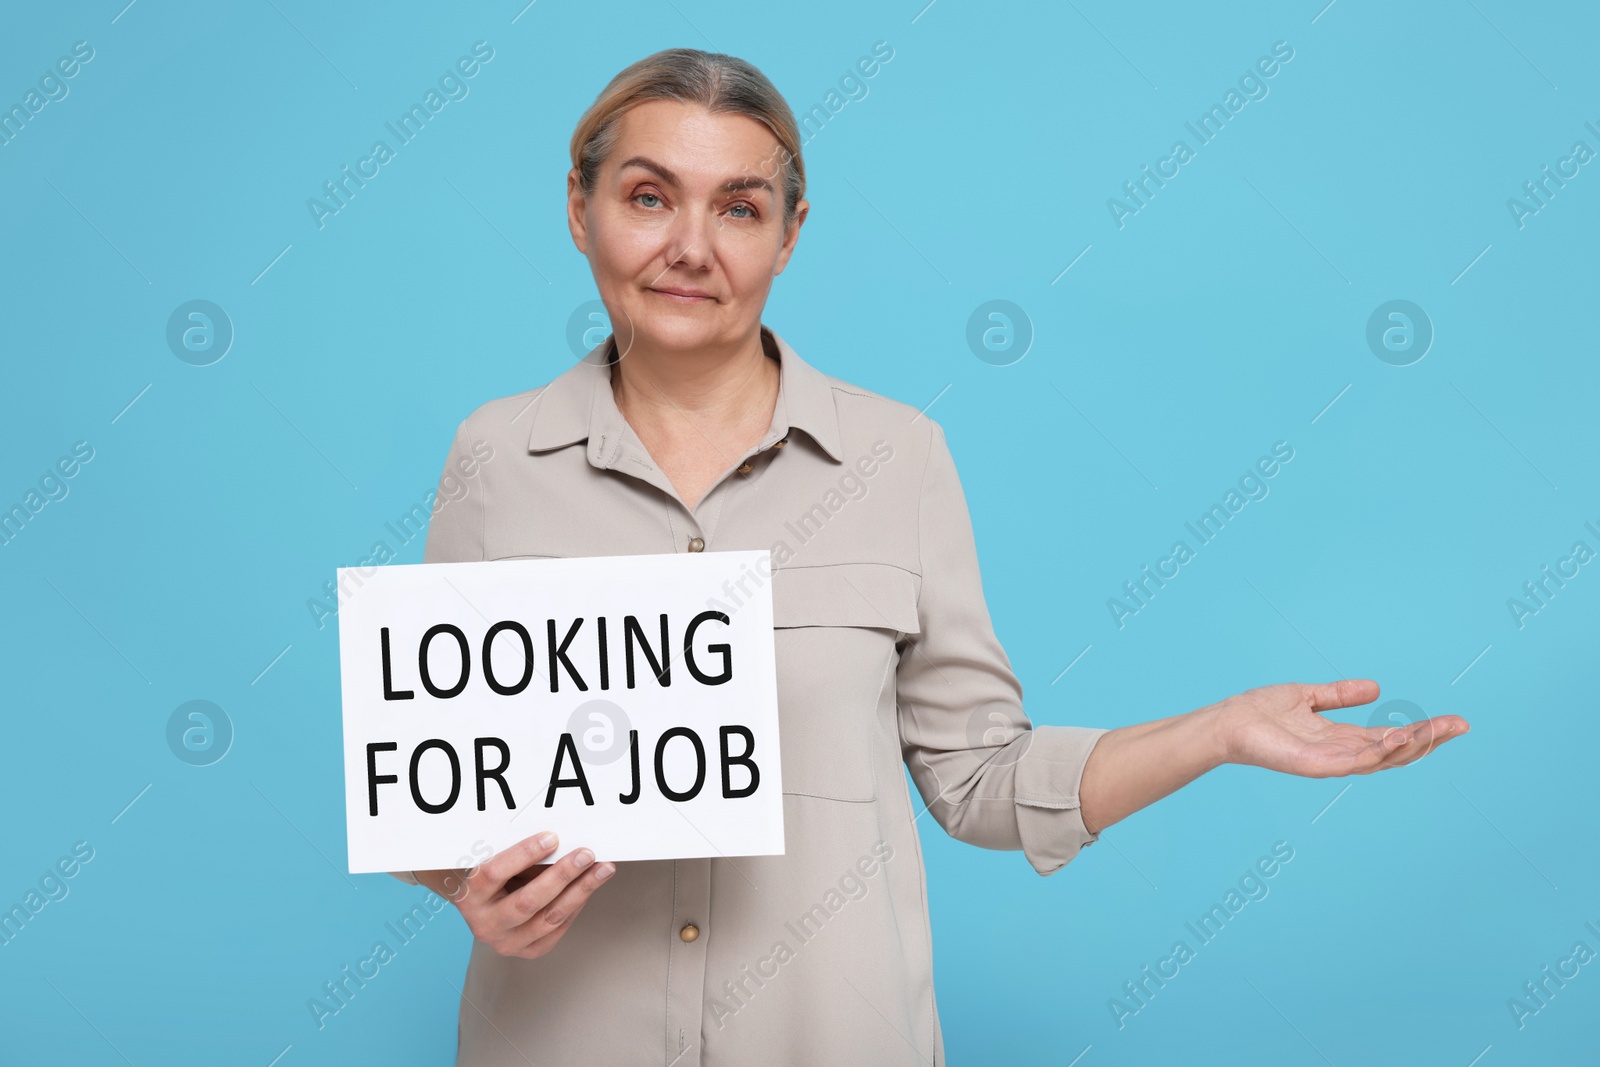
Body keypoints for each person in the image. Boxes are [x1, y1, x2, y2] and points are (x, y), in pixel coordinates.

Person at [387, 47, 1470, 1066]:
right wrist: (460, 886)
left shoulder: (897, 456)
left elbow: (979, 776)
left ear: (790, 233)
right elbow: (430, 786)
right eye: (647, 196)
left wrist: (1217, 732)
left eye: (740, 208)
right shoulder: (494, 454)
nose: (690, 247)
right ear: (579, 211)